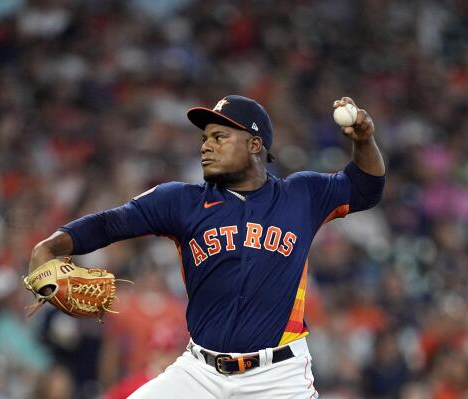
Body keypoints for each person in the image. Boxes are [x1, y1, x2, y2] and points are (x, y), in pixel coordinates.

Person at [28, 95, 385, 398]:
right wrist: (51, 245)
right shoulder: (182, 202)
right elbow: (110, 223)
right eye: (204, 138)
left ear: (254, 144)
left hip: (278, 377)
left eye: (219, 136)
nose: (205, 145)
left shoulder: (301, 194)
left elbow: (366, 188)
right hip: (200, 373)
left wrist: (364, 141)